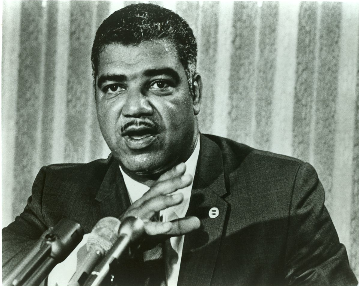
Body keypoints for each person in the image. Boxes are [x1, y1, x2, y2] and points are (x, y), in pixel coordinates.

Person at [2, 3, 357, 286]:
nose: (134, 107)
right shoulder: (59, 194)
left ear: (195, 92)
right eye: (113, 87)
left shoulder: (282, 192)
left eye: (158, 84)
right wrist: (101, 248)